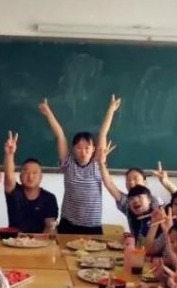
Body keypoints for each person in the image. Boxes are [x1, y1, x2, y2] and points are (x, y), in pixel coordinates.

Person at [39, 95, 120, 234]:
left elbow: (103, 133)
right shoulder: (68, 164)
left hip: (92, 226)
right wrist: (48, 113)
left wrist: (111, 110)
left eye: (87, 148)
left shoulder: (98, 164)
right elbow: (60, 135)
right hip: (68, 224)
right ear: (73, 149)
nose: (83, 152)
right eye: (79, 147)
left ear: (93, 149)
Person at [2, 131, 59, 234]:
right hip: (14, 240)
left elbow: (49, 227)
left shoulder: (49, 198)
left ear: (41, 177)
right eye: (26, 172)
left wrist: (36, 242)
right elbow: (9, 175)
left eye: (35, 173)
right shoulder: (15, 192)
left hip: (39, 241)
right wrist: (9, 154)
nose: (30, 176)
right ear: (20, 176)